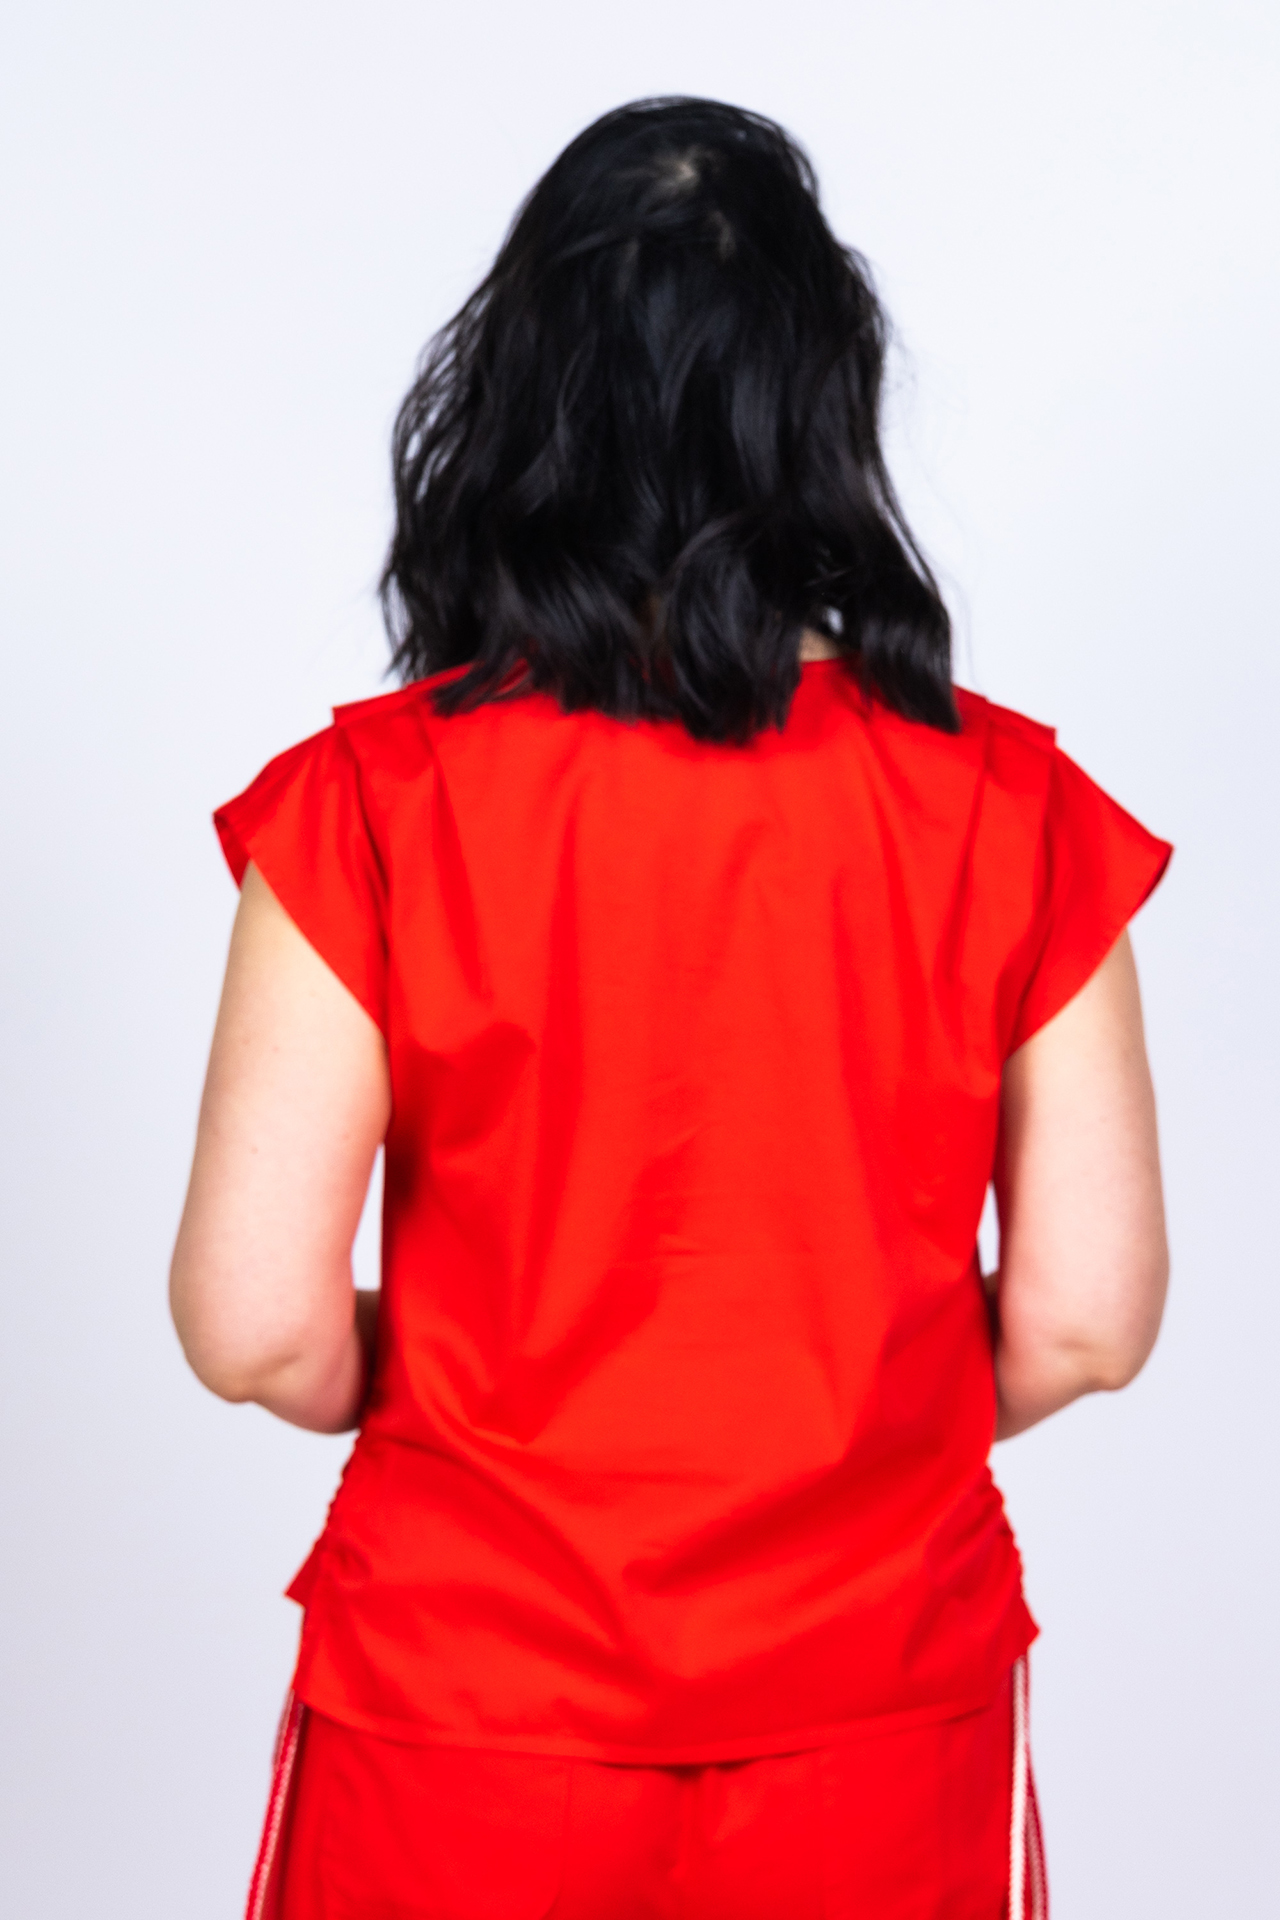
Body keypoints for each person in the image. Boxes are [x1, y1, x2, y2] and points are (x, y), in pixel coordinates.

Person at [170, 97, 1171, 1920]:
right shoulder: (1011, 810)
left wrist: (509, 1391)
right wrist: (825, 1413)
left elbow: (257, 1334)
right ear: (819, 405)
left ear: (518, 401)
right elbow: (1088, 1323)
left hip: (464, 1712)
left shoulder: (372, 807)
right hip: (879, 1708)